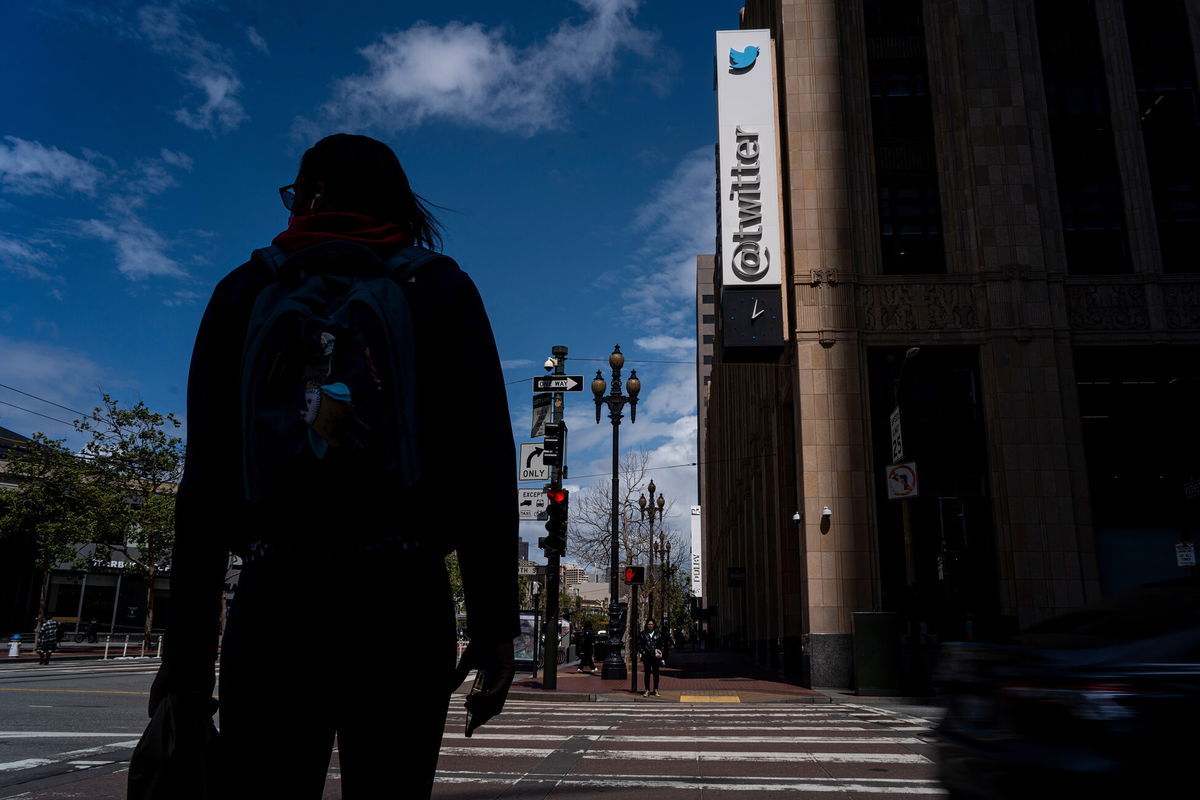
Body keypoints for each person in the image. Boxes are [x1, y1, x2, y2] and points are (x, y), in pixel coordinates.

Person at [149, 134, 518, 799]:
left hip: (276, 598)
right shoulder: (438, 288)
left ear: (311, 196)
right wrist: (495, 628)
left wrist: (186, 659)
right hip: (401, 602)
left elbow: (201, 488)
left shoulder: (244, 290)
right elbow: (485, 468)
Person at [638, 618, 666, 697]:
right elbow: (639, 645)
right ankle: (647, 690)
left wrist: (661, 654)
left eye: (652, 624)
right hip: (647, 656)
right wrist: (643, 651)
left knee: (656, 674)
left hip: (656, 657)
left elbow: (662, 645)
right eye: (649, 624)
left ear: (654, 625)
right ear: (646, 625)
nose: (650, 626)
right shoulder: (643, 634)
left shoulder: (658, 634)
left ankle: (656, 689)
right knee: (647, 674)